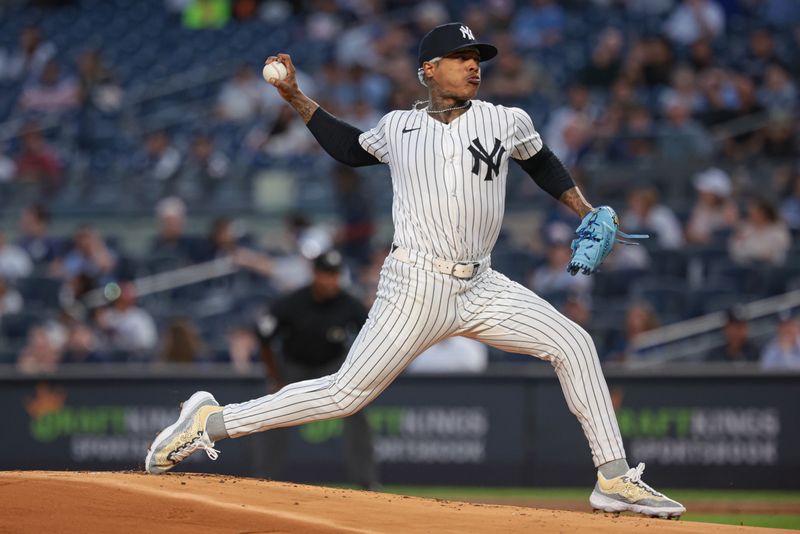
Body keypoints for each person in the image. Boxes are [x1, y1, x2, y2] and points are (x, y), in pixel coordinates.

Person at [146, 23, 684, 518]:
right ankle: (210, 422)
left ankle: (613, 477)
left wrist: (584, 209)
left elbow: (542, 163)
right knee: (344, 395)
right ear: (428, 69)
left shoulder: (506, 119)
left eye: (478, 58)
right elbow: (350, 150)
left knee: (574, 344)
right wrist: (294, 97)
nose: (474, 66)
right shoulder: (398, 127)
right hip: (417, 283)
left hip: (483, 282)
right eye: (460, 57)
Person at [253, 250, 379, 489]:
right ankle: (263, 479)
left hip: (333, 368)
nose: (330, 281)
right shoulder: (293, 302)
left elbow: (370, 337)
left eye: (335, 275)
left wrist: (358, 376)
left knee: (358, 416)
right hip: (295, 367)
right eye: (326, 274)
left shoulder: (348, 303)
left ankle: (367, 482)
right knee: (272, 414)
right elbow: (263, 335)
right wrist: (275, 377)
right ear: (315, 274)